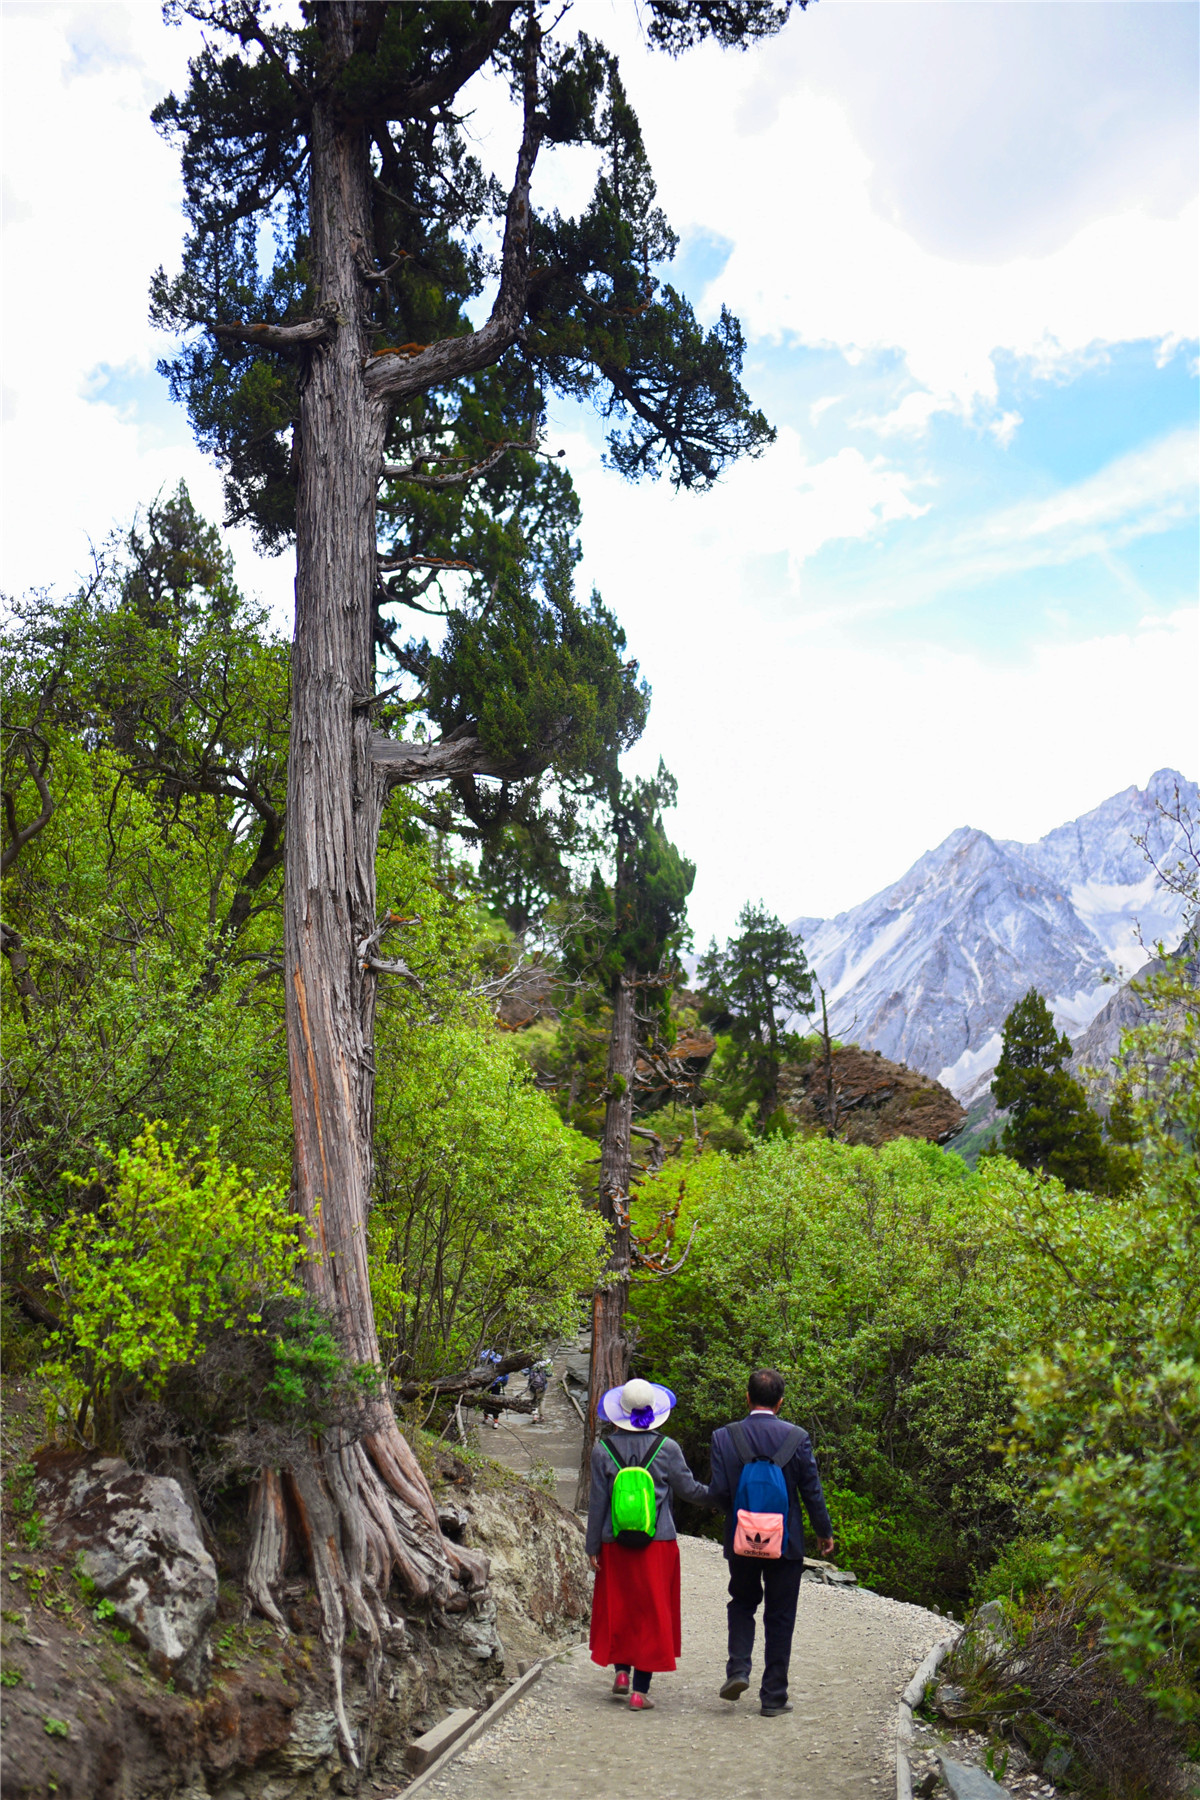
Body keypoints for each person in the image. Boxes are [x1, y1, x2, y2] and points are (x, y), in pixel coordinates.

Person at [707, 1367, 834, 1717]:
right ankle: (774, 1696)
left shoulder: (724, 1436)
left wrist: (735, 1515)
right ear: (780, 1403)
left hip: (741, 1538)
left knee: (742, 1603)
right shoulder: (797, 1437)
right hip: (786, 1542)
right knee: (780, 1616)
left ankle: (738, 1670)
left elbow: (718, 1491)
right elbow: (811, 1490)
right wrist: (824, 1532)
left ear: (747, 1397)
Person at [586, 1377, 711, 1712]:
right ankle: (641, 1690)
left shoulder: (603, 1450)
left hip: (614, 1542)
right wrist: (721, 1495)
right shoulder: (667, 1449)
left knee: (621, 1606)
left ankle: (622, 1673)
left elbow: (597, 1502)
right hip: (658, 1543)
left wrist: (592, 1547)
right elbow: (688, 1490)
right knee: (652, 1611)